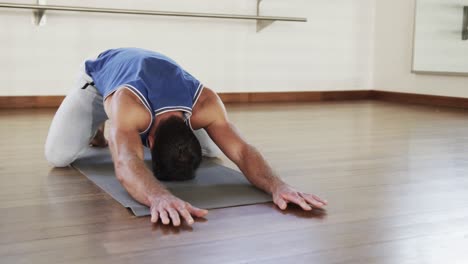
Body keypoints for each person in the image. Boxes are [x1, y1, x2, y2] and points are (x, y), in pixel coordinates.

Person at [45, 47, 327, 226]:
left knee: (211, 152)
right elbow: (126, 161)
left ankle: (117, 128)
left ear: (193, 126)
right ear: (150, 143)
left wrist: (278, 186)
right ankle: (97, 125)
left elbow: (241, 151)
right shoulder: (131, 106)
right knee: (58, 156)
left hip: (144, 91)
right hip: (98, 82)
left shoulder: (206, 103)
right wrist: (158, 197)